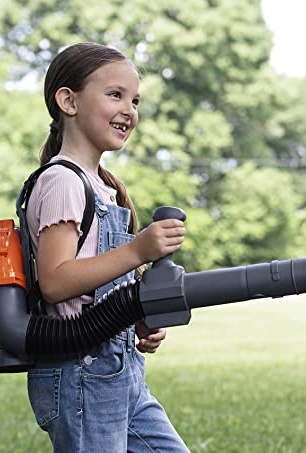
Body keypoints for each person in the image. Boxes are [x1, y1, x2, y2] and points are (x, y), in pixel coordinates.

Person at [25, 42, 190, 452]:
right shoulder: (62, 181)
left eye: (135, 100)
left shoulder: (106, 187)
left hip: (121, 369)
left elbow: (101, 289)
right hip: (80, 374)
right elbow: (56, 282)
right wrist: (138, 251)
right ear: (68, 100)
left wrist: (138, 319)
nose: (130, 110)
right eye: (115, 95)